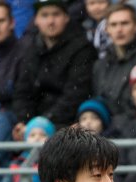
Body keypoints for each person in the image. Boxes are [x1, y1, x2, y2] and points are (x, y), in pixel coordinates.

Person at [11, 0, 95, 131]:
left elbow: (75, 94)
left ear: (66, 17)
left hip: (67, 124)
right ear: (36, 20)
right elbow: (22, 92)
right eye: (44, 15)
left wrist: (43, 123)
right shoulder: (30, 50)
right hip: (34, 127)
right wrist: (25, 121)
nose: (50, 21)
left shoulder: (82, 48)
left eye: (56, 14)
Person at [92, 3, 136, 122]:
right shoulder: (100, 64)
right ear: (107, 29)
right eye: (114, 25)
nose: (119, 30)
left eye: (124, 23)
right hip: (107, 128)